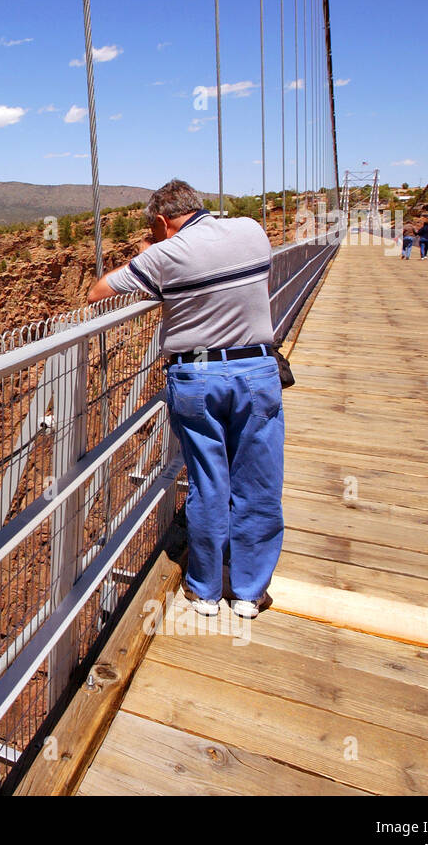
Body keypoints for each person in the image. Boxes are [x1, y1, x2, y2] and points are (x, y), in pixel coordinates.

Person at [87, 179, 283, 619]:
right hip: (256, 371)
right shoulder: (252, 230)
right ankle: (250, 593)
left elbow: (97, 291)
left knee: (208, 483)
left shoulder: (163, 255)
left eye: (153, 230)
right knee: (259, 482)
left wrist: (152, 260)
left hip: (196, 378)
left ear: (160, 220)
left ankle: (205, 590)